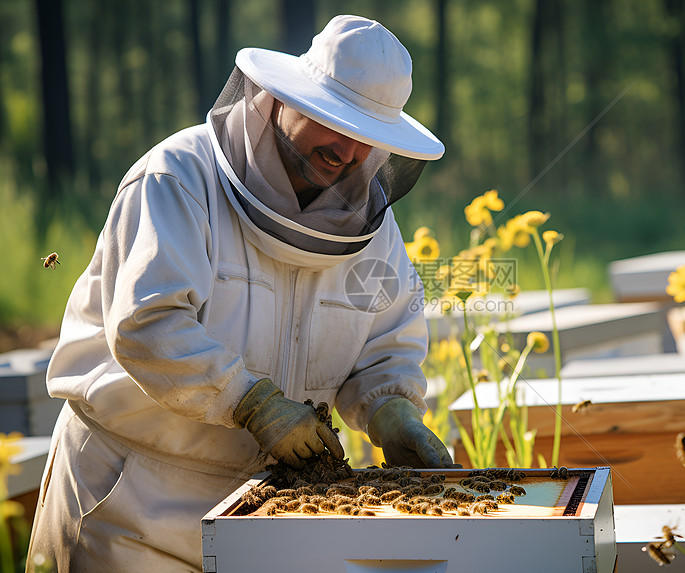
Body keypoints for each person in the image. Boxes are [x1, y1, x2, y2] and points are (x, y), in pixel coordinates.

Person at [27, 15, 454, 572]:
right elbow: (149, 324)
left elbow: (384, 338)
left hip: (265, 513)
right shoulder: (178, 178)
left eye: (367, 138)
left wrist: (391, 407)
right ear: (284, 101)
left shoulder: (370, 226)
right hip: (133, 502)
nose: (348, 151)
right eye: (335, 122)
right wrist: (251, 402)